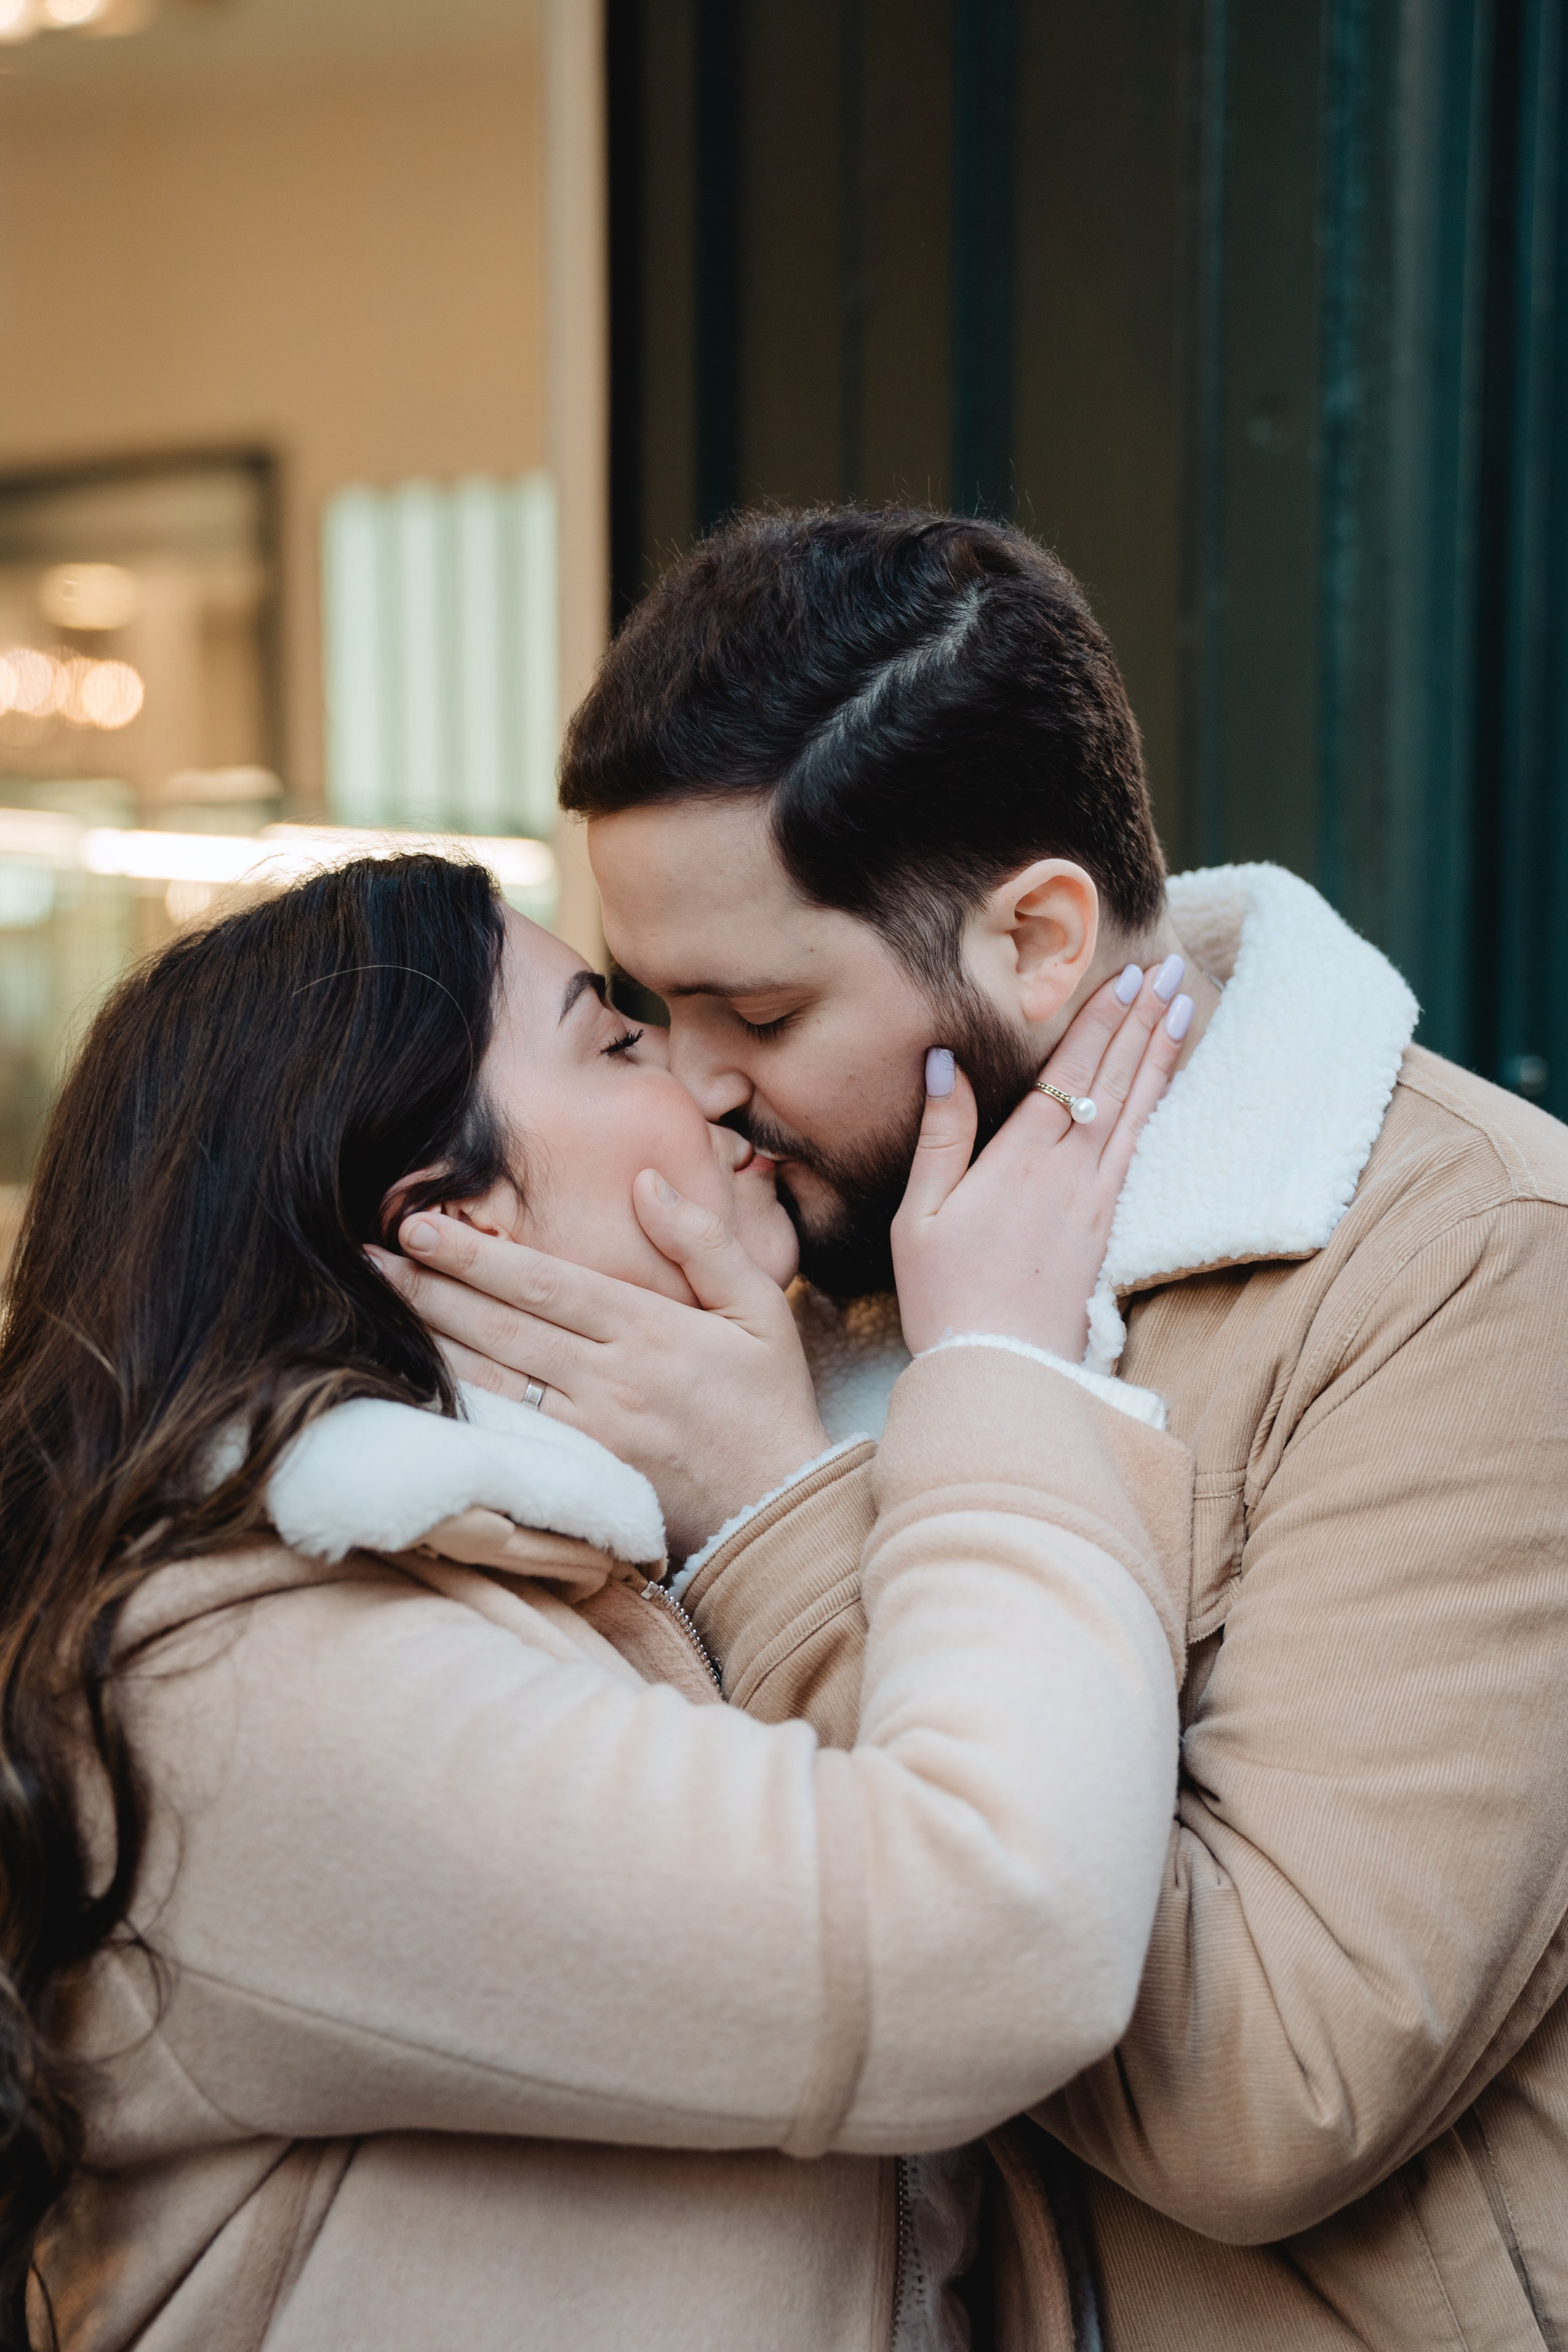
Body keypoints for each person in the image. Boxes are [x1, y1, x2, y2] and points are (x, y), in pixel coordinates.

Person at [394, 511, 1568, 2352]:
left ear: (1036, 936)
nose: (695, 1086)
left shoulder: (1468, 1268)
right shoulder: (770, 1235)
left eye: (759, 1009)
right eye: (645, 1005)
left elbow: (1274, 2092)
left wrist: (772, 1510)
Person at [0, 851, 1191, 2352]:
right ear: (457, 1218)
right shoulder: (243, 1677)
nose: (707, 1081)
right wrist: (1002, 1376)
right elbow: (991, 1929)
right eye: (617, 1037)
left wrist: (759, 1485)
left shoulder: (542, 1572)